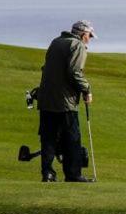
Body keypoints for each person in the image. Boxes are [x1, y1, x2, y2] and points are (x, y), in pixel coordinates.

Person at [37, 20, 96, 183]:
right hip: (65, 102)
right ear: (83, 34)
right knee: (72, 138)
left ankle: (48, 174)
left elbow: (46, 68)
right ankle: (73, 174)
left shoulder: (56, 42)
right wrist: (87, 89)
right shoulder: (77, 46)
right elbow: (74, 72)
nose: (89, 39)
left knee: (48, 138)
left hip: (46, 99)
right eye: (89, 35)